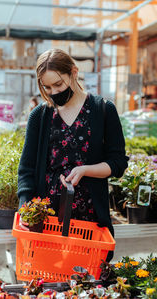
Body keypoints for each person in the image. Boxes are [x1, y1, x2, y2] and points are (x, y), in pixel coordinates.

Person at [17, 48, 128, 261]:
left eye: (58, 84)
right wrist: (25, 207)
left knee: (89, 286)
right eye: (47, 87)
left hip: (90, 220)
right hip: (47, 221)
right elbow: (26, 171)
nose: (54, 92)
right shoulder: (40, 116)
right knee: (49, 282)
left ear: (74, 72)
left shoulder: (102, 110)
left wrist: (85, 170)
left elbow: (118, 162)